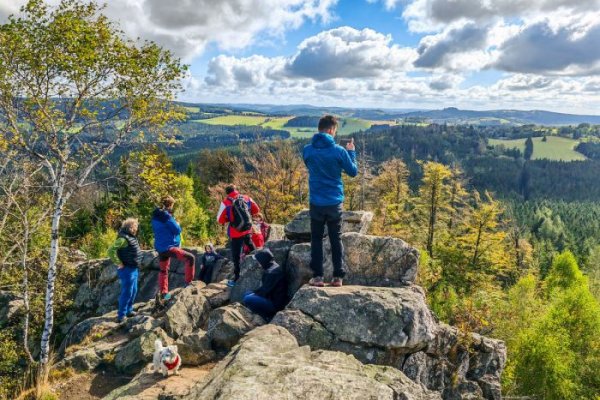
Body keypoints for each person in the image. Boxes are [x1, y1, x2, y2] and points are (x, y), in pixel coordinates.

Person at [303, 115, 358, 288]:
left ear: (320, 129)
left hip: (316, 202)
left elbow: (310, 165)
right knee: (336, 238)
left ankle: (318, 277)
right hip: (334, 202)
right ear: (331, 130)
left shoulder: (307, 150)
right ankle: (337, 277)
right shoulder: (339, 151)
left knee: (317, 239)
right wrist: (351, 152)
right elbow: (353, 172)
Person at [152, 196, 195, 300]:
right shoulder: (167, 216)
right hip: (169, 247)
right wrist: (177, 223)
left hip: (160, 247)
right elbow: (177, 230)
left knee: (163, 270)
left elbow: (163, 230)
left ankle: (163, 293)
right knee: (190, 258)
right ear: (170, 205)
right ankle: (188, 284)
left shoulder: (155, 216)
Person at [217, 185, 260, 287]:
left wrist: (230, 219)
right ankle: (260, 264)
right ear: (236, 190)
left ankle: (236, 279)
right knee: (251, 246)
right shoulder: (246, 198)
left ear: (227, 192)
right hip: (247, 228)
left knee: (236, 256)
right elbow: (256, 210)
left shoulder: (225, 202)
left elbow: (219, 219)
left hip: (235, 231)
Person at [108, 218, 143, 323]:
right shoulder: (123, 238)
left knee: (134, 290)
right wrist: (118, 262)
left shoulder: (131, 237)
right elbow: (110, 250)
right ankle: (121, 315)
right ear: (130, 227)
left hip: (134, 268)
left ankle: (129, 310)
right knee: (127, 292)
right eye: (135, 226)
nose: (136, 229)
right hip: (127, 270)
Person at [243, 249, 288, 320]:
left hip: (275, 304)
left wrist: (254, 294)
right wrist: (254, 293)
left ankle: (265, 316)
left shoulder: (272, 273)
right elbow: (266, 289)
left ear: (263, 260)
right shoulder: (273, 266)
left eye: (259, 261)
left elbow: (265, 291)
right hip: (271, 297)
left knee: (247, 298)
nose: (258, 263)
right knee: (247, 294)